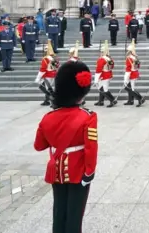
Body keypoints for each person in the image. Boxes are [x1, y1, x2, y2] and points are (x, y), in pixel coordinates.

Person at [33, 61, 98, 233]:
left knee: (59, 211)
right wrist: (89, 173)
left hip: (56, 172)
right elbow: (91, 149)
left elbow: (39, 146)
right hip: (78, 172)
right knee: (74, 216)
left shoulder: (48, 117)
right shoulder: (88, 117)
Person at [35, 40, 59, 107]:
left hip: (47, 75)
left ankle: (52, 101)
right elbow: (57, 66)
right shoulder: (54, 58)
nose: (44, 51)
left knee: (46, 88)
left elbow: (42, 69)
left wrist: (38, 78)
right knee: (48, 88)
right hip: (53, 74)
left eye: (45, 49)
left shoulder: (45, 59)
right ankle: (46, 100)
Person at [94, 41, 117, 107]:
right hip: (109, 74)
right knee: (101, 88)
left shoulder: (101, 59)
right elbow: (112, 67)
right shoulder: (110, 59)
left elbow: (98, 70)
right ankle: (100, 101)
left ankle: (113, 100)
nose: (100, 53)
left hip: (104, 76)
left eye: (101, 52)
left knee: (105, 89)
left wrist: (96, 78)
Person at [122, 40, 145, 106]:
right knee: (130, 87)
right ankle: (130, 100)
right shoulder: (135, 58)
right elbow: (138, 66)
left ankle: (140, 99)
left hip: (131, 74)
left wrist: (126, 77)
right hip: (134, 73)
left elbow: (128, 68)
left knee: (130, 88)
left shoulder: (129, 58)